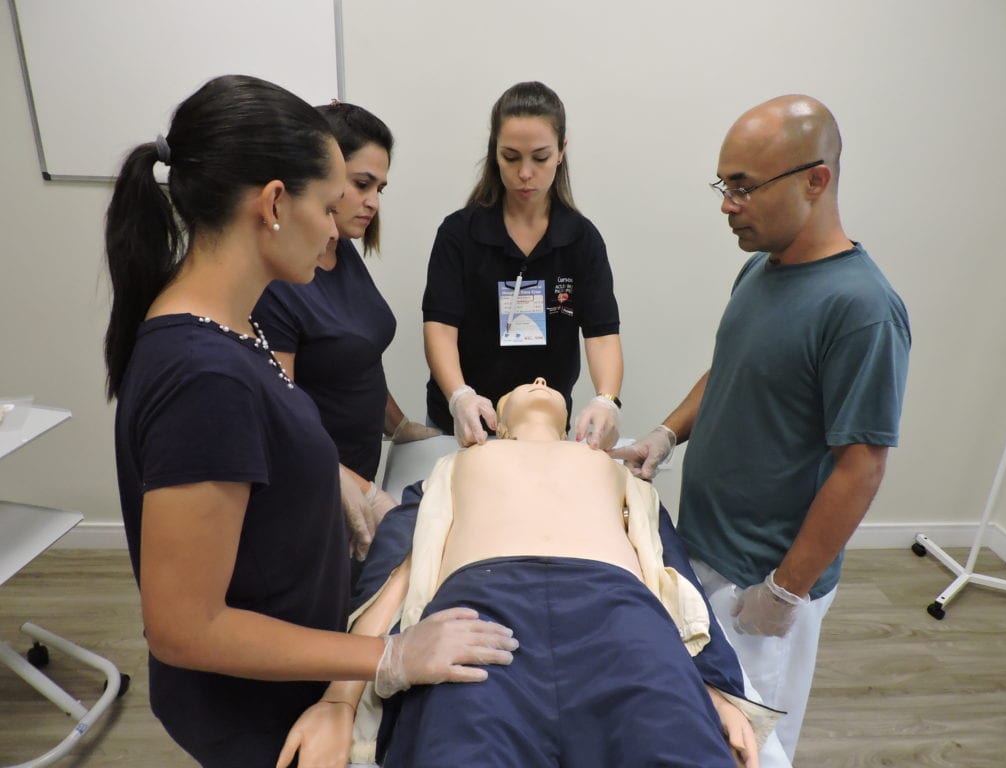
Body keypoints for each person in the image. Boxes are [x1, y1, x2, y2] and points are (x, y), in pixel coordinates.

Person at [103, 74, 518, 768]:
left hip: (305, 660)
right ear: (273, 203)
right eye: (328, 206)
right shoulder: (204, 376)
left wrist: (341, 492)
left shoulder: (232, 330)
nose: (336, 228)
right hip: (257, 709)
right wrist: (387, 655)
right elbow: (184, 627)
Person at [613, 95, 911, 763]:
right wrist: (665, 434)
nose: (728, 205)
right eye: (724, 185)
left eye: (744, 187)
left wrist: (784, 591)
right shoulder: (760, 269)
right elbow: (730, 370)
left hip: (763, 582)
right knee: (699, 726)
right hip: (705, 550)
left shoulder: (861, 309)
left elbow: (862, 466)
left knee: (752, 748)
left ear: (816, 180)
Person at [279, 378, 782, 768]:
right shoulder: (455, 465)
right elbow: (399, 574)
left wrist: (716, 690)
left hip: (621, 616)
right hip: (475, 619)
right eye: (522, 386)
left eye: (548, 384)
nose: (540, 381)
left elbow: (671, 574)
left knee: (674, 748)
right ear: (497, 422)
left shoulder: (612, 470)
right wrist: (340, 699)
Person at [252, 101, 439, 561]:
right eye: (360, 184)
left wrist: (399, 426)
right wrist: (361, 491)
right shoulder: (283, 281)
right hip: (313, 490)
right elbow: (281, 421)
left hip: (355, 475)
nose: (373, 202)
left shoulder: (341, 250)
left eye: (379, 188)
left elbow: (356, 357)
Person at [422, 81, 624, 450]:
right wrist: (459, 396)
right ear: (494, 152)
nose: (525, 173)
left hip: (542, 428)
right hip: (466, 424)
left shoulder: (581, 240)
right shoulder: (459, 234)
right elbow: (440, 328)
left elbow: (601, 335)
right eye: (511, 157)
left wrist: (606, 400)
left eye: (540, 157)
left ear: (561, 152)